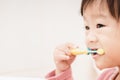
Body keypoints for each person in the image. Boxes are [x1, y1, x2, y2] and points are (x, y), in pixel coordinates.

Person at [45, 0, 120, 80]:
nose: (89, 38)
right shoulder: (106, 76)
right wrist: (62, 71)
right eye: (87, 27)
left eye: (100, 25)